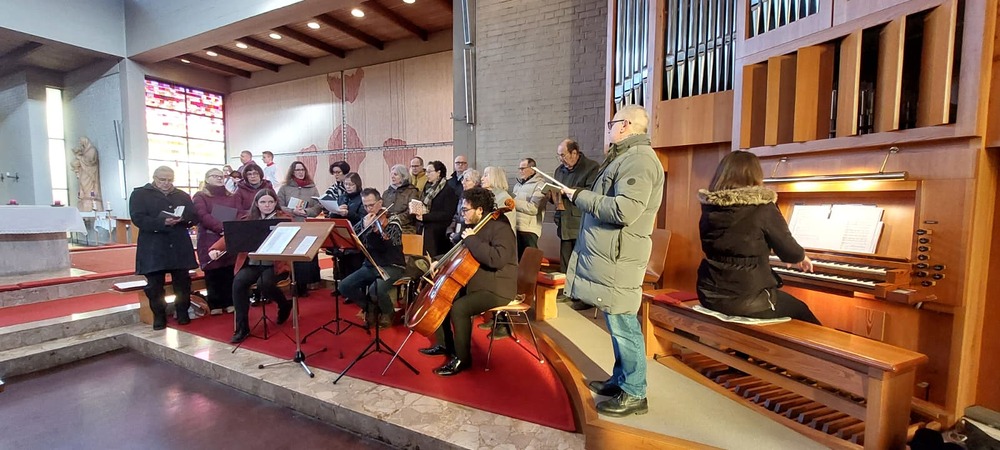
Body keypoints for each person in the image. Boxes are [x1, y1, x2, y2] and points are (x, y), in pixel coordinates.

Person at [563, 105, 663, 417]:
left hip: (620, 258)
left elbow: (624, 211)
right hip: (613, 256)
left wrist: (579, 196)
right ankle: (621, 379)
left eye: (612, 123)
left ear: (626, 125)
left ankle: (635, 392)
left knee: (624, 325)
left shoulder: (639, 160)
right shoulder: (625, 156)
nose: (609, 128)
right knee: (616, 322)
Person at [697, 150, 821, 324]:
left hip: (709, 293)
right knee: (802, 312)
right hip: (749, 299)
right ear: (754, 175)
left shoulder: (710, 208)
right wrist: (799, 257)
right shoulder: (763, 208)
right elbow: (789, 252)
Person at [418, 187, 518, 376]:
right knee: (443, 298)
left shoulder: (501, 228)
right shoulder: (474, 227)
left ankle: (462, 359)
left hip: (497, 287)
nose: (461, 214)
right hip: (476, 282)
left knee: (459, 308)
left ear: (480, 210)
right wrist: (439, 261)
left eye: (465, 210)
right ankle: (445, 345)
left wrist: (472, 239)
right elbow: (459, 253)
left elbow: (497, 259)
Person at [208, 189, 293, 343]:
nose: (267, 205)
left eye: (270, 202)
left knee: (264, 284)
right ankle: (242, 328)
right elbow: (231, 236)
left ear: (275, 203)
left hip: (275, 265)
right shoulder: (248, 219)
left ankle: (284, 304)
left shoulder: (284, 219)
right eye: (263, 202)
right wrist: (216, 248)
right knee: (239, 283)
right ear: (257, 204)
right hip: (253, 263)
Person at [129, 166, 199, 330]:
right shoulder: (140, 194)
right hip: (154, 245)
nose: (166, 183)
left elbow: (194, 216)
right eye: (162, 180)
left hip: (178, 243)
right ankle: (159, 316)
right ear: (154, 178)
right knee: (155, 285)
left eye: (170, 180)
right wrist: (162, 222)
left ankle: (182, 313)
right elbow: (138, 218)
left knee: (182, 282)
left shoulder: (181, 195)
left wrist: (183, 218)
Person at [337, 188, 407, 329]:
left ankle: (388, 312)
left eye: (371, 205)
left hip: (392, 265)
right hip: (371, 265)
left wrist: (373, 233)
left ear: (380, 202)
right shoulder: (366, 220)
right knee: (344, 286)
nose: (369, 209)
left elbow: (386, 247)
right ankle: (369, 308)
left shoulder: (393, 221)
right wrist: (363, 228)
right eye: (365, 206)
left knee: (377, 288)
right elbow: (353, 236)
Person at [553, 138, 600, 311]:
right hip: (564, 219)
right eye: (559, 156)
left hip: (581, 220)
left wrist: (569, 191)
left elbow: (592, 192)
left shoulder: (591, 167)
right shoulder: (559, 170)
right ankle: (567, 291)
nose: (561, 159)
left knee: (582, 260)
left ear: (574, 153)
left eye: (563, 155)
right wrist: (552, 193)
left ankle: (584, 297)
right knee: (565, 258)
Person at [192, 168, 241, 315]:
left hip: (228, 236)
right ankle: (215, 304)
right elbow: (202, 215)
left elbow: (239, 213)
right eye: (215, 176)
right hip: (209, 237)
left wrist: (230, 229)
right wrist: (221, 228)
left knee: (228, 270)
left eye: (221, 176)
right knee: (213, 271)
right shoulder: (200, 196)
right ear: (207, 179)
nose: (219, 178)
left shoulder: (232, 196)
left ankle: (230, 302)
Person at [277, 161, 322, 296]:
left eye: (302, 170)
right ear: (292, 172)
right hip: (291, 225)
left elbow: (318, 206)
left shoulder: (312, 188)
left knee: (306, 255)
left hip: (307, 224)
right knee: (294, 257)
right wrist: (292, 211)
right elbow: (279, 206)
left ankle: (307, 284)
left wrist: (306, 211)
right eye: (297, 170)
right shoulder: (284, 188)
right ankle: (295, 284)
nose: (300, 172)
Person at [414, 160, 459, 256]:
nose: (426, 174)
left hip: (439, 233)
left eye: (429, 172)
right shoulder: (428, 188)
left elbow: (447, 214)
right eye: (426, 172)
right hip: (426, 228)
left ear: (438, 173)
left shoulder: (448, 190)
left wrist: (425, 217)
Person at [512, 158, 546, 258]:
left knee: (529, 260)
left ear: (532, 169)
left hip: (529, 229)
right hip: (516, 227)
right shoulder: (517, 185)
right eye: (519, 168)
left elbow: (533, 208)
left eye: (523, 168)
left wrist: (513, 202)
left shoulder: (540, 185)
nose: (520, 171)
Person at [382, 163, 421, 234]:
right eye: (392, 174)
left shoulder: (412, 191)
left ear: (403, 176)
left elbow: (413, 212)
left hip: (406, 227)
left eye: (395, 174)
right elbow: (382, 209)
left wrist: (397, 219)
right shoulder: (386, 193)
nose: (392, 177)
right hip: (387, 226)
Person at [448, 169, 481, 244]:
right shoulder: (463, 196)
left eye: (467, 180)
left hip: (467, 233)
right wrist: (450, 230)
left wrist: (458, 235)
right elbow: (457, 215)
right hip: (457, 231)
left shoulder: (478, 198)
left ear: (475, 183)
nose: (463, 182)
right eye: (463, 179)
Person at [480, 166, 516, 234]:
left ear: (495, 178)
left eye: (486, 175)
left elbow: (504, 226)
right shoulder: (489, 196)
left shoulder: (504, 198)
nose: (482, 179)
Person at [71, 137, 102, 211]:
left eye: (82, 142)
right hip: (83, 170)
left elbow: (91, 161)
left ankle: (90, 196)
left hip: (90, 172)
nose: (81, 144)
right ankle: (84, 195)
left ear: (86, 141)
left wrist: (80, 158)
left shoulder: (92, 150)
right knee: (82, 183)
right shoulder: (84, 151)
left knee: (87, 184)